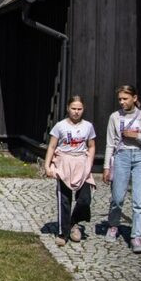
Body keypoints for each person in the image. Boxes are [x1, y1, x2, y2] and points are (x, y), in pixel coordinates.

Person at [102, 85, 141, 254]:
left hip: (140, 157)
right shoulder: (115, 117)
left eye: (125, 98)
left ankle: (136, 236)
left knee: (140, 201)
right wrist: (106, 167)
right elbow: (110, 143)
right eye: (120, 99)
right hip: (121, 157)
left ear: (134, 98)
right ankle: (113, 225)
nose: (122, 102)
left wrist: (137, 136)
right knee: (117, 198)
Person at [43, 96, 96, 246]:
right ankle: (63, 232)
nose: (76, 112)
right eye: (73, 108)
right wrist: (48, 166)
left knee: (85, 199)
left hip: (82, 163)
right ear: (68, 108)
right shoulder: (60, 126)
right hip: (65, 163)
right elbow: (52, 147)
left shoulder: (88, 126)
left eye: (79, 109)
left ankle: (73, 222)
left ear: (83, 109)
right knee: (64, 199)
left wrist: (89, 164)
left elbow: (91, 146)